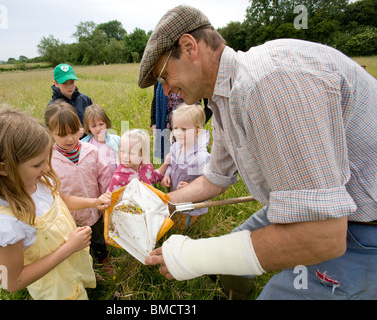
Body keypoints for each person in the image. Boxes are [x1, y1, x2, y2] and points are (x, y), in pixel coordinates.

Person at [139, 5, 377, 299]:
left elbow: (324, 235)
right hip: (310, 206)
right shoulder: (225, 95)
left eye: (163, 76)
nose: (165, 92)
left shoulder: (267, 84)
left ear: (189, 48)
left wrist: (193, 256)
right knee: (231, 264)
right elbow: (216, 177)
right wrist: (161, 203)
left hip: (359, 226)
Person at [0, 107, 112, 300]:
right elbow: (11, 282)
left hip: (72, 265)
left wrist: (94, 201)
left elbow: (62, 200)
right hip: (56, 289)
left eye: (46, 160)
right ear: (3, 168)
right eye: (37, 164)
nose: (47, 168)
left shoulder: (40, 182)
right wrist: (69, 248)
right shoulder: (5, 222)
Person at [45, 100, 112, 269]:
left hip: (94, 211)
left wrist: (105, 204)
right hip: (68, 217)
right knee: (75, 247)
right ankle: (85, 270)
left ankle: (103, 261)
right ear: (50, 132)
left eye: (74, 132)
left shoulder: (92, 152)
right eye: (62, 134)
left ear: (80, 128)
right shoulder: (48, 160)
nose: (70, 138)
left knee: (98, 239)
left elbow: (104, 179)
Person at [161, 103, 211, 230]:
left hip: (191, 200)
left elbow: (206, 181)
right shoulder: (175, 147)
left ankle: (190, 224)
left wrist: (191, 186)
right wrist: (167, 174)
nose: (178, 133)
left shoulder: (200, 157)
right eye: (176, 128)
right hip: (175, 192)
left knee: (181, 226)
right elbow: (172, 165)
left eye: (184, 129)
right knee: (171, 214)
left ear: (197, 132)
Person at [151, 82, 212, 163]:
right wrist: (154, 123)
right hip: (166, 128)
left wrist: (196, 123)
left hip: (188, 130)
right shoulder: (162, 74)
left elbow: (209, 106)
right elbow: (155, 99)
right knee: (168, 162)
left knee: (190, 162)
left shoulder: (197, 75)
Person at [48, 63, 93, 135]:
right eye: (64, 83)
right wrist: (73, 134)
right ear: (56, 83)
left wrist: (88, 130)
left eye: (72, 82)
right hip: (68, 145)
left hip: (89, 142)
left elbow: (94, 120)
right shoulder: (53, 106)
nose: (69, 86)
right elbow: (51, 133)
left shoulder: (85, 99)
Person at [81, 104, 120, 177]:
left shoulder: (117, 140)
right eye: (93, 126)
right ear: (88, 127)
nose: (98, 128)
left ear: (106, 123)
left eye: (101, 124)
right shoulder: (86, 146)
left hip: (118, 182)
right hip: (100, 184)